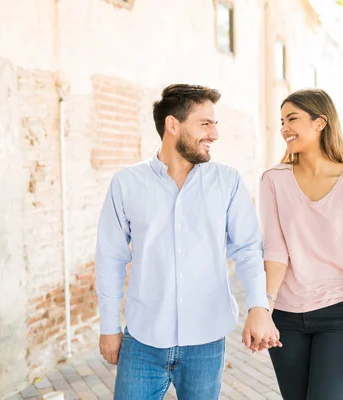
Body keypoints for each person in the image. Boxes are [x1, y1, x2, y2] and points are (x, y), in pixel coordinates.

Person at [95, 84, 280, 400]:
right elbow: (110, 258)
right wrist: (109, 326)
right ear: (172, 125)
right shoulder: (127, 183)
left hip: (206, 341)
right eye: (205, 124)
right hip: (143, 340)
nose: (215, 134)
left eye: (215, 124)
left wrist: (259, 306)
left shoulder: (227, 181)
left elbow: (248, 248)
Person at [258, 88, 343, 399]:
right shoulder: (273, 180)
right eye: (282, 120)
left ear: (320, 122)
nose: (284, 128)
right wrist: (264, 309)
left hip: (337, 317)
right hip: (285, 318)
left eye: (292, 118)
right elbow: (274, 250)